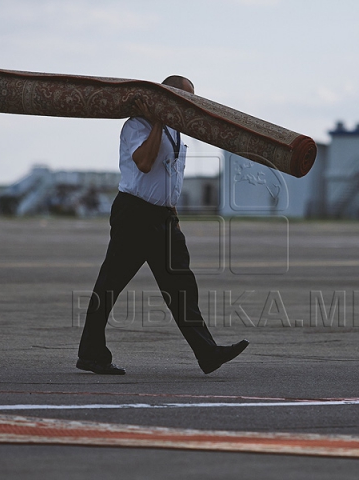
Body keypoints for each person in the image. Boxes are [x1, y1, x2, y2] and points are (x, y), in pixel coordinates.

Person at [76, 75, 249, 375]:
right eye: (184, 99)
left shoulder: (177, 131)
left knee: (181, 287)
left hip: (163, 217)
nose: (189, 105)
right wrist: (156, 121)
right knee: (110, 285)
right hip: (134, 214)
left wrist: (173, 215)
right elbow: (144, 163)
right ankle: (91, 353)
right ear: (166, 99)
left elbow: (170, 176)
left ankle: (207, 353)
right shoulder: (136, 126)